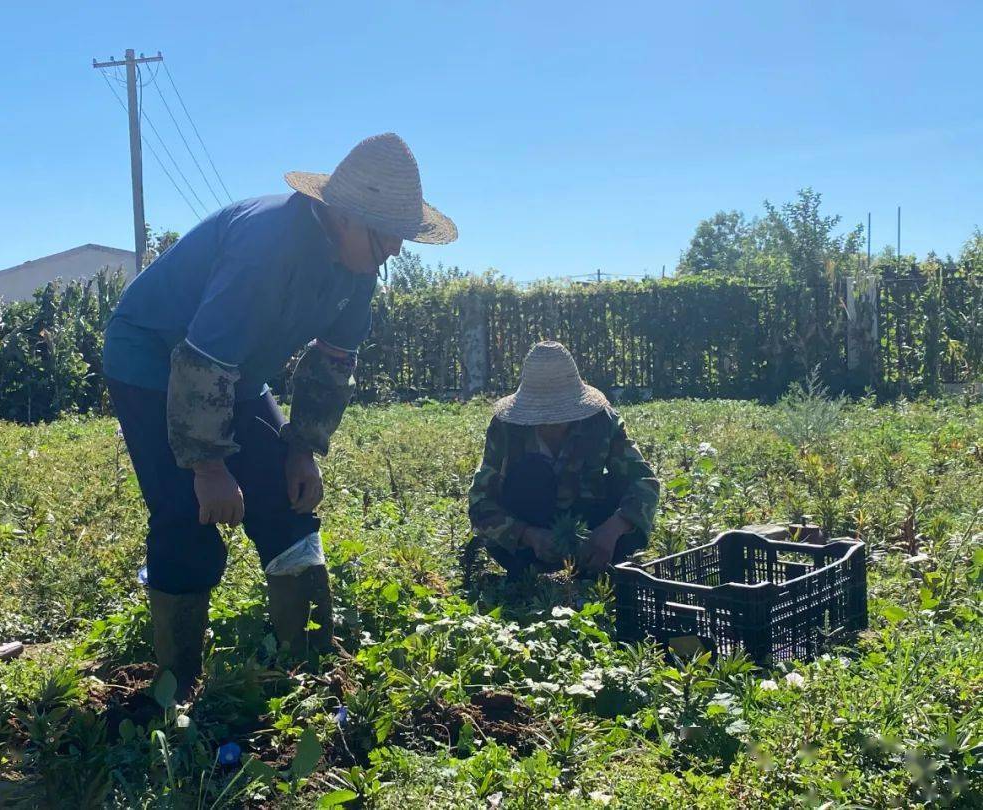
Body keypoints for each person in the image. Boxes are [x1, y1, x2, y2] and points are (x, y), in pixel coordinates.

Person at [103, 133, 457, 698]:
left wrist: (302, 449)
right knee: (185, 511)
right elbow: (201, 359)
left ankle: (313, 665)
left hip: (234, 369)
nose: (394, 248)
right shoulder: (267, 242)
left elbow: (332, 363)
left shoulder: (358, 268)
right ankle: (178, 680)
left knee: (288, 502)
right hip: (152, 357)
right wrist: (209, 468)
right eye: (385, 232)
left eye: (401, 235)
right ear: (342, 216)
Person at [468, 341, 659, 579]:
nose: (552, 421)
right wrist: (528, 534)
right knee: (530, 472)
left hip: (591, 529)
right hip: (525, 542)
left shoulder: (602, 421)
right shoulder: (505, 428)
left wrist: (613, 528)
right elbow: (480, 502)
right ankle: (529, 567)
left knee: (622, 490)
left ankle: (597, 561)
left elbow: (645, 481)